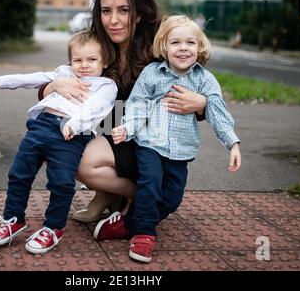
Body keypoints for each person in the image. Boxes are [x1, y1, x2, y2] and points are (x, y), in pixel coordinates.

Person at [37, 0, 208, 223]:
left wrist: (201, 103)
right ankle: (125, 194)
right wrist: (52, 86)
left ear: (139, 13)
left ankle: (141, 194)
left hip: (153, 143)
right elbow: (62, 80)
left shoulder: (161, 45)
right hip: (115, 135)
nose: (113, 20)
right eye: (106, 11)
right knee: (60, 148)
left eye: (124, 10)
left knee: (84, 157)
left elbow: (203, 86)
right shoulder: (97, 45)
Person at [100, 15, 242, 263]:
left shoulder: (204, 80)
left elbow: (218, 111)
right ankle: (143, 235)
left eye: (190, 42)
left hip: (180, 149)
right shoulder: (153, 73)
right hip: (150, 143)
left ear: (200, 47)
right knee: (150, 185)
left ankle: (127, 223)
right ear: (164, 47)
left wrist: (233, 143)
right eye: (176, 42)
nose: (183, 48)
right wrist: (127, 128)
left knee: (172, 198)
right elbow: (137, 105)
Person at [0, 30, 117, 254]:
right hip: (41, 126)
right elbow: (38, 77)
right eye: (78, 60)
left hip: (71, 134)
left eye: (92, 59)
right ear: (70, 61)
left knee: (61, 183)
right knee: (19, 174)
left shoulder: (105, 85)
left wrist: (74, 124)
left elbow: (98, 108)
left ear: (104, 61)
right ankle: (13, 219)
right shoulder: (65, 73)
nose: (84, 65)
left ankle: (52, 228)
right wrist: (5, 81)